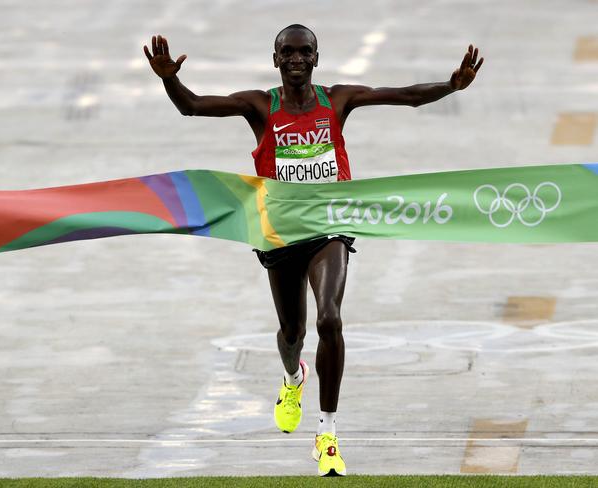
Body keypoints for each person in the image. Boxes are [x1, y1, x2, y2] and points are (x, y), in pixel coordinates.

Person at [144, 24, 483, 477]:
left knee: (330, 318)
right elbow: (193, 106)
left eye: (305, 52)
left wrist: (450, 84)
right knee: (292, 333)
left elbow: (405, 96)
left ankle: (327, 434)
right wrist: (169, 78)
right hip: (281, 233)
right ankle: (292, 377)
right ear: (276, 59)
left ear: (317, 58)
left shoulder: (337, 100)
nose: (297, 59)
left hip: (330, 226)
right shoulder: (260, 106)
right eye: (288, 52)